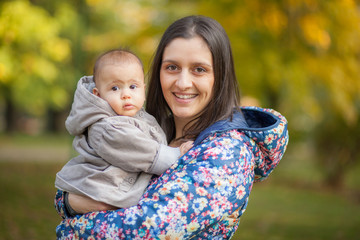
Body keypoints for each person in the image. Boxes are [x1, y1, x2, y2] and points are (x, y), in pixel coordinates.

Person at [55, 15, 289, 239]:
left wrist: (70, 229)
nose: (183, 82)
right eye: (172, 67)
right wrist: (68, 201)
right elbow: (80, 182)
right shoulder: (151, 129)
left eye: (199, 69)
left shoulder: (227, 152)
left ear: (220, 77)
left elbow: (149, 229)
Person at [55, 49, 193, 212]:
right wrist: (174, 155)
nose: (126, 94)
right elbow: (138, 148)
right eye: (115, 88)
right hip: (103, 189)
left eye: (133, 86)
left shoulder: (138, 115)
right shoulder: (106, 127)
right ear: (98, 95)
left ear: (143, 89)